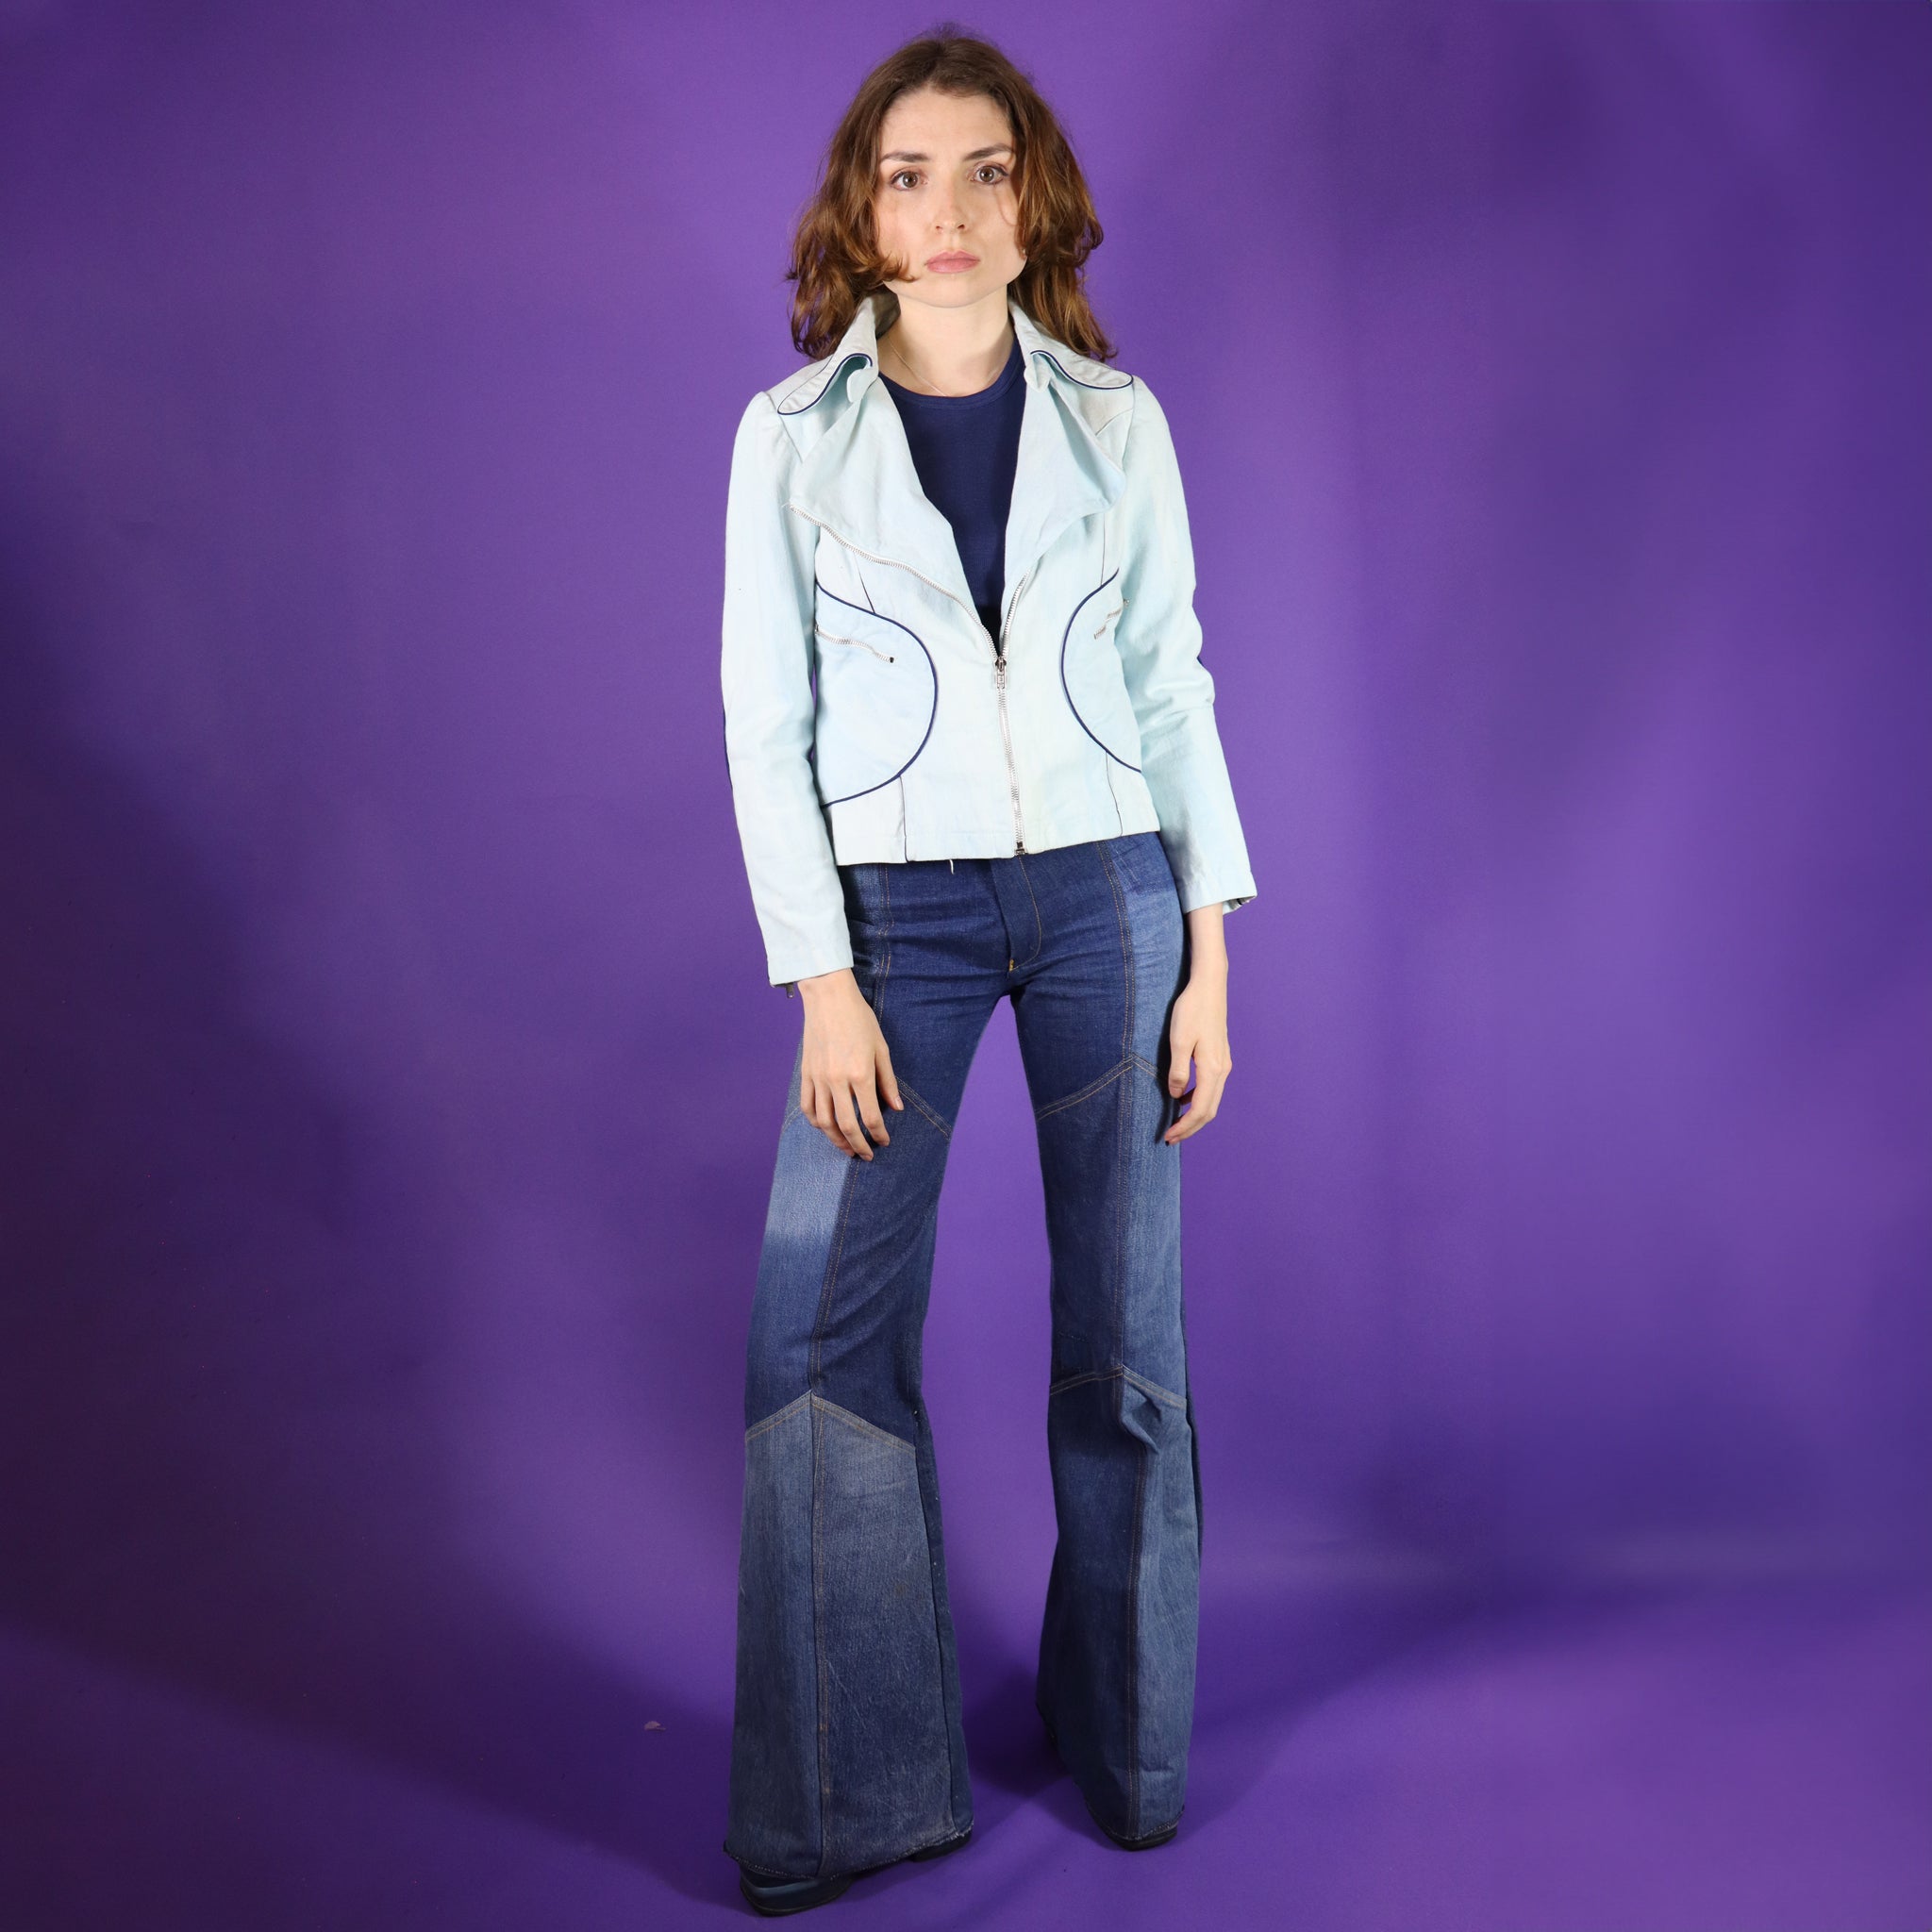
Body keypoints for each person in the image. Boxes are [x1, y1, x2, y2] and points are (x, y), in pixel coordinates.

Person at [716, 28, 1257, 1918]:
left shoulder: (1120, 422)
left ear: (1036, 202)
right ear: (861, 216)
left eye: (983, 170)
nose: (945, 210)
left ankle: (1128, 1746)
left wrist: (1208, 955)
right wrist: (821, 979)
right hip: (897, 926)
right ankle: (845, 1795)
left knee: (1127, 1335)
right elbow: (763, 726)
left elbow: (1174, 685)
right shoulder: (790, 442)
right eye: (906, 175)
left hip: (1110, 898)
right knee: (817, 1338)